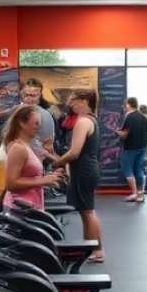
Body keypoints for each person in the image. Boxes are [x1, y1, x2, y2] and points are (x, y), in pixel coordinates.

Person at [51, 89, 104, 262]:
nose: (70, 104)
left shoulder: (83, 122)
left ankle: (97, 250)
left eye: (74, 101)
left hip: (84, 169)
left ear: (85, 101)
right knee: (85, 211)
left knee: (88, 211)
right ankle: (89, 246)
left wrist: (56, 163)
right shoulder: (90, 120)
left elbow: (74, 152)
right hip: (85, 169)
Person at [2, 105, 64, 210]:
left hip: (30, 207)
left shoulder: (27, 146)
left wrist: (50, 177)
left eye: (40, 123)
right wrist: (43, 181)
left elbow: (28, 176)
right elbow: (10, 183)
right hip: (20, 209)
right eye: (36, 123)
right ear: (22, 123)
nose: (39, 127)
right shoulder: (18, 148)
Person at [118, 97, 147, 202]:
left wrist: (117, 132)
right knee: (139, 170)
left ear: (128, 105)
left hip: (130, 148)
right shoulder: (144, 117)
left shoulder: (129, 117)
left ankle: (134, 193)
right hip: (142, 148)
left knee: (128, 171)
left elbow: (124, 134)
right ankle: (140, 195)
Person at [20, 78, 58, 162]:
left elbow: (48, 146)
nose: (29, 99)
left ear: (39, 95)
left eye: (33, 95)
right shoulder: (17, 112)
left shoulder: (45, 115)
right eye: (27, 95)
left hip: (36, 161)